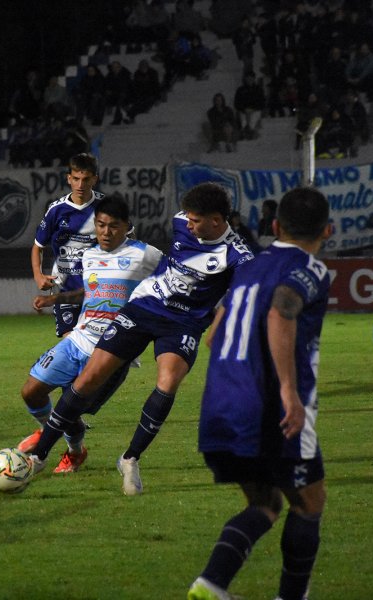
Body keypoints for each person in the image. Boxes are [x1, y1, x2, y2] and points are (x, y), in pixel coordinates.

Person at [25, 183, 256, 495]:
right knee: (91, 376)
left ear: (216, 220)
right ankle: (39, 456)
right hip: (145, 306)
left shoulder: (238, 254)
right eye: (186, 218)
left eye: (195, 220)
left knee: (168, 381)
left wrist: (219, 326)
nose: (187, 224)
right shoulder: (181, 221)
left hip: (183, 324)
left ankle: (130, 458)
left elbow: (243, 295)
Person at [187, 187, 332, 600]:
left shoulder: (250, 267)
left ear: (274, 226)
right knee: (309, 501)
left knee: (265, 504)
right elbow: (280, 311)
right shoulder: (310, 269)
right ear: (328, 230)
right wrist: (288, 390)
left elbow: (215, 338)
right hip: (269, 407)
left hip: (221, 403)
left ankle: (211, 583)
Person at [17, 197, 163, 473]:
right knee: (31, 392)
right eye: (100, 225)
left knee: (69, 406)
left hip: (112, 353)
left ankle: (72, 451)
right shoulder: (91, 254)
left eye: (113, 226)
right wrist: (55, 299)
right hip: (77, 340)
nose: (106, 232)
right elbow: (91, 291)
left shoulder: (145, 254)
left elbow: (173, 281)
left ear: (127, 227)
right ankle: (53, 431)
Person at [31, 153, 103, 338]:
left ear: (94, 179)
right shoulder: (56, 210)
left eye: (86, 179)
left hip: (98, 287)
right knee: (71, 342)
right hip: (65, 287)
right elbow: (37, 246)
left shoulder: (105, 207)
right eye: (76, 179)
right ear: (68, 178)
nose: (80, 185)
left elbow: (130, 238)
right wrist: (38, 275)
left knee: (98, 348)